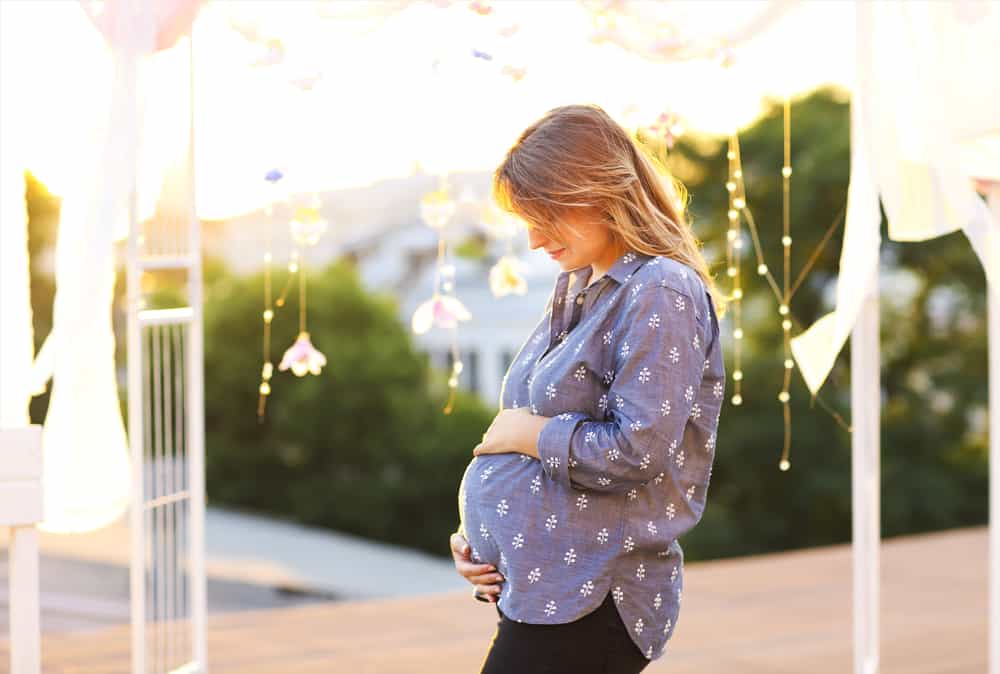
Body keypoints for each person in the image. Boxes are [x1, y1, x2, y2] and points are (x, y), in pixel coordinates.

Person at [449, 103, 727, 673]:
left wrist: (530, 434)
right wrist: (481, 537)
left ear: (596, 191)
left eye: (544, 216)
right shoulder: (581, 285)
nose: (532, 240)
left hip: (594, 594)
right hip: (544, 589)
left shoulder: (660, 290)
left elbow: (638, 450)